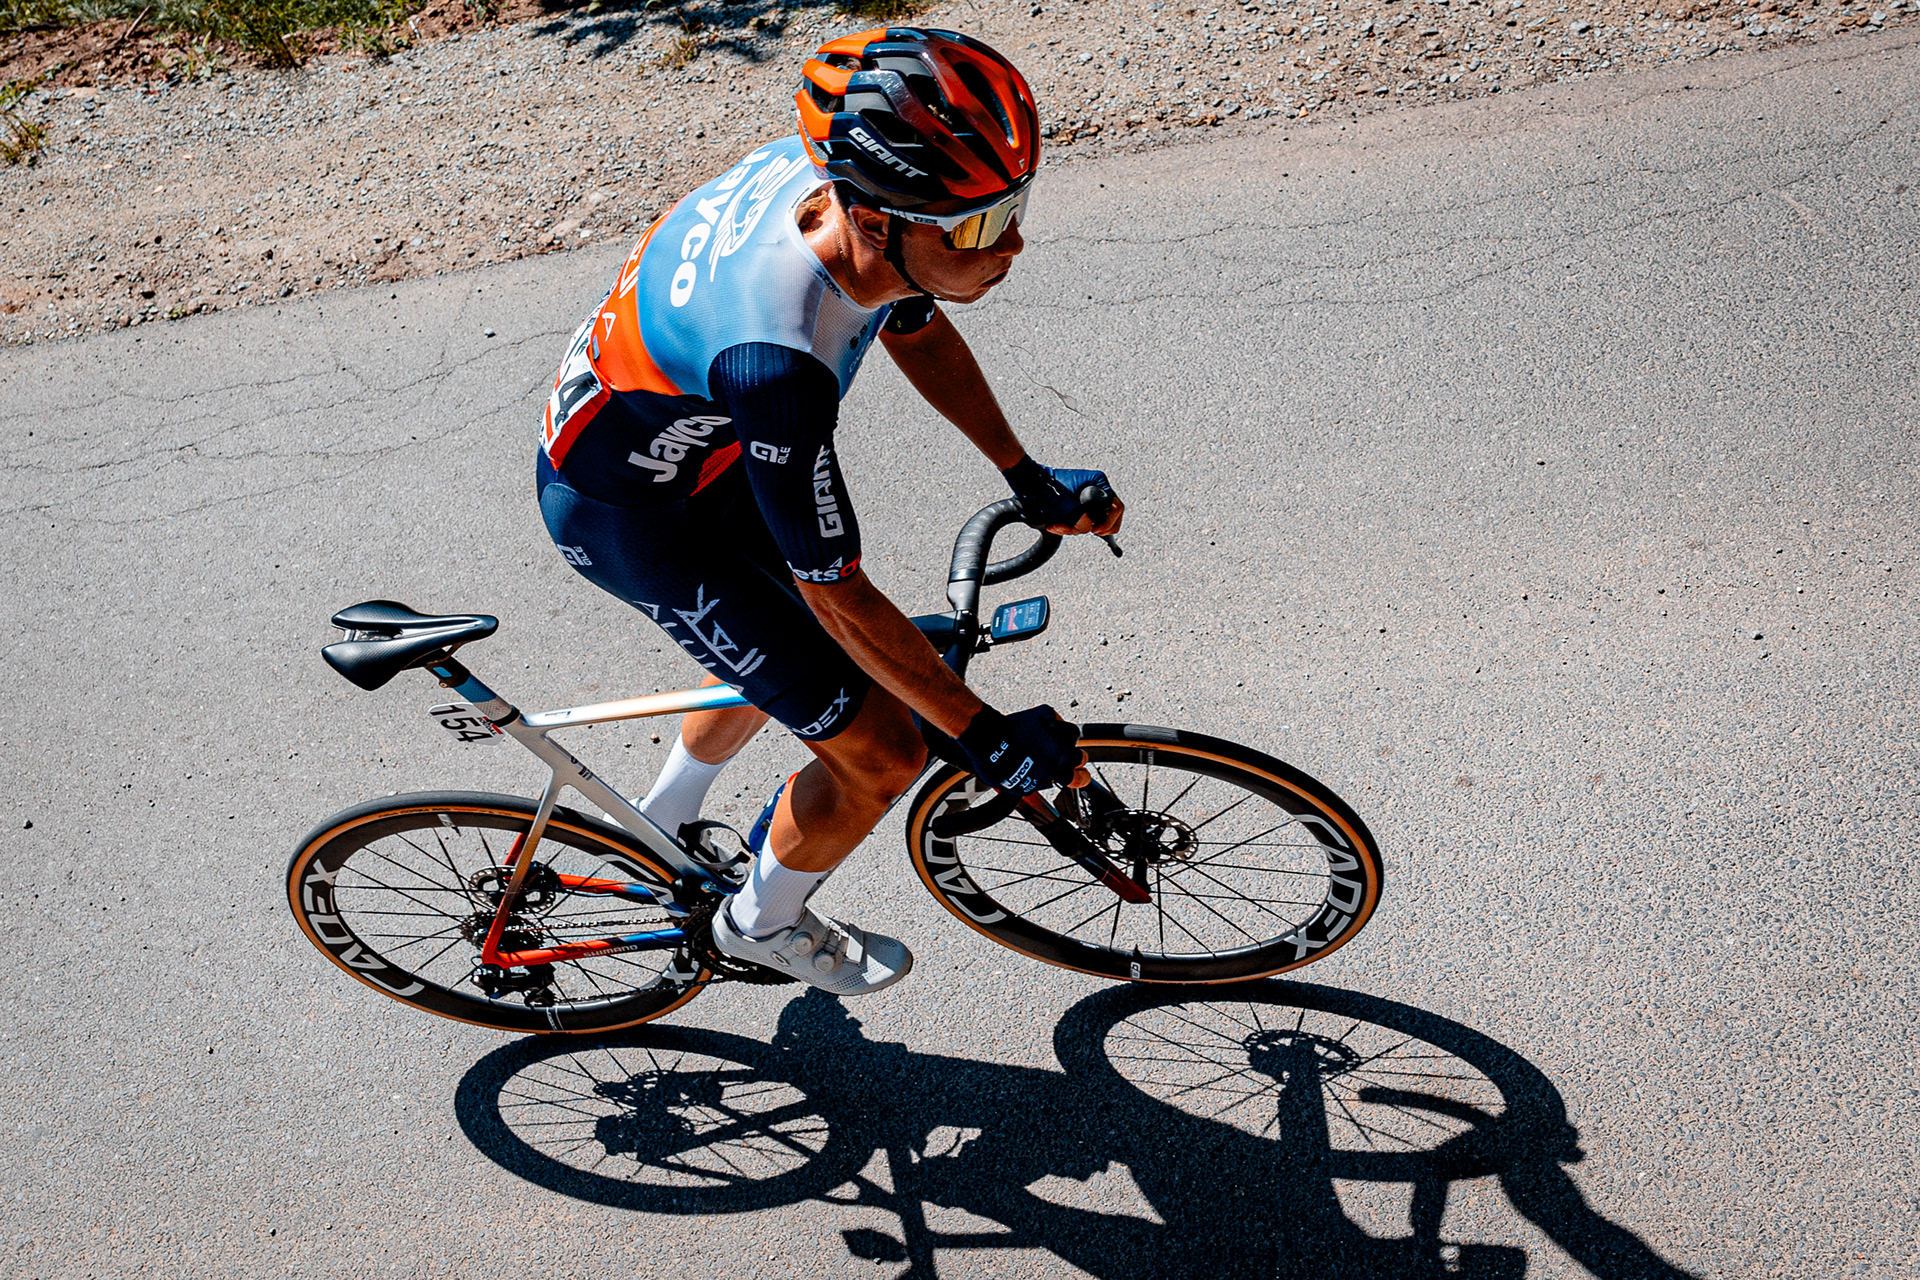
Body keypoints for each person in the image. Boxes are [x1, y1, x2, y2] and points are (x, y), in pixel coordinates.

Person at [534, 27, 1123, 997]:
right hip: (627, 511)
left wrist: (1024, 472)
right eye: (978, 226)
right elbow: (837, 594)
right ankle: (756, 924)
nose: (1011, 245)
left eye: (1012, 210)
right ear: (879, 220)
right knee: (884, 751)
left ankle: (659, 817)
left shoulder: (849, 209)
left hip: (690, 449)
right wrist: (987, 739)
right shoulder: (778, 357)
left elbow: (914, 327)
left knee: (800, 649)